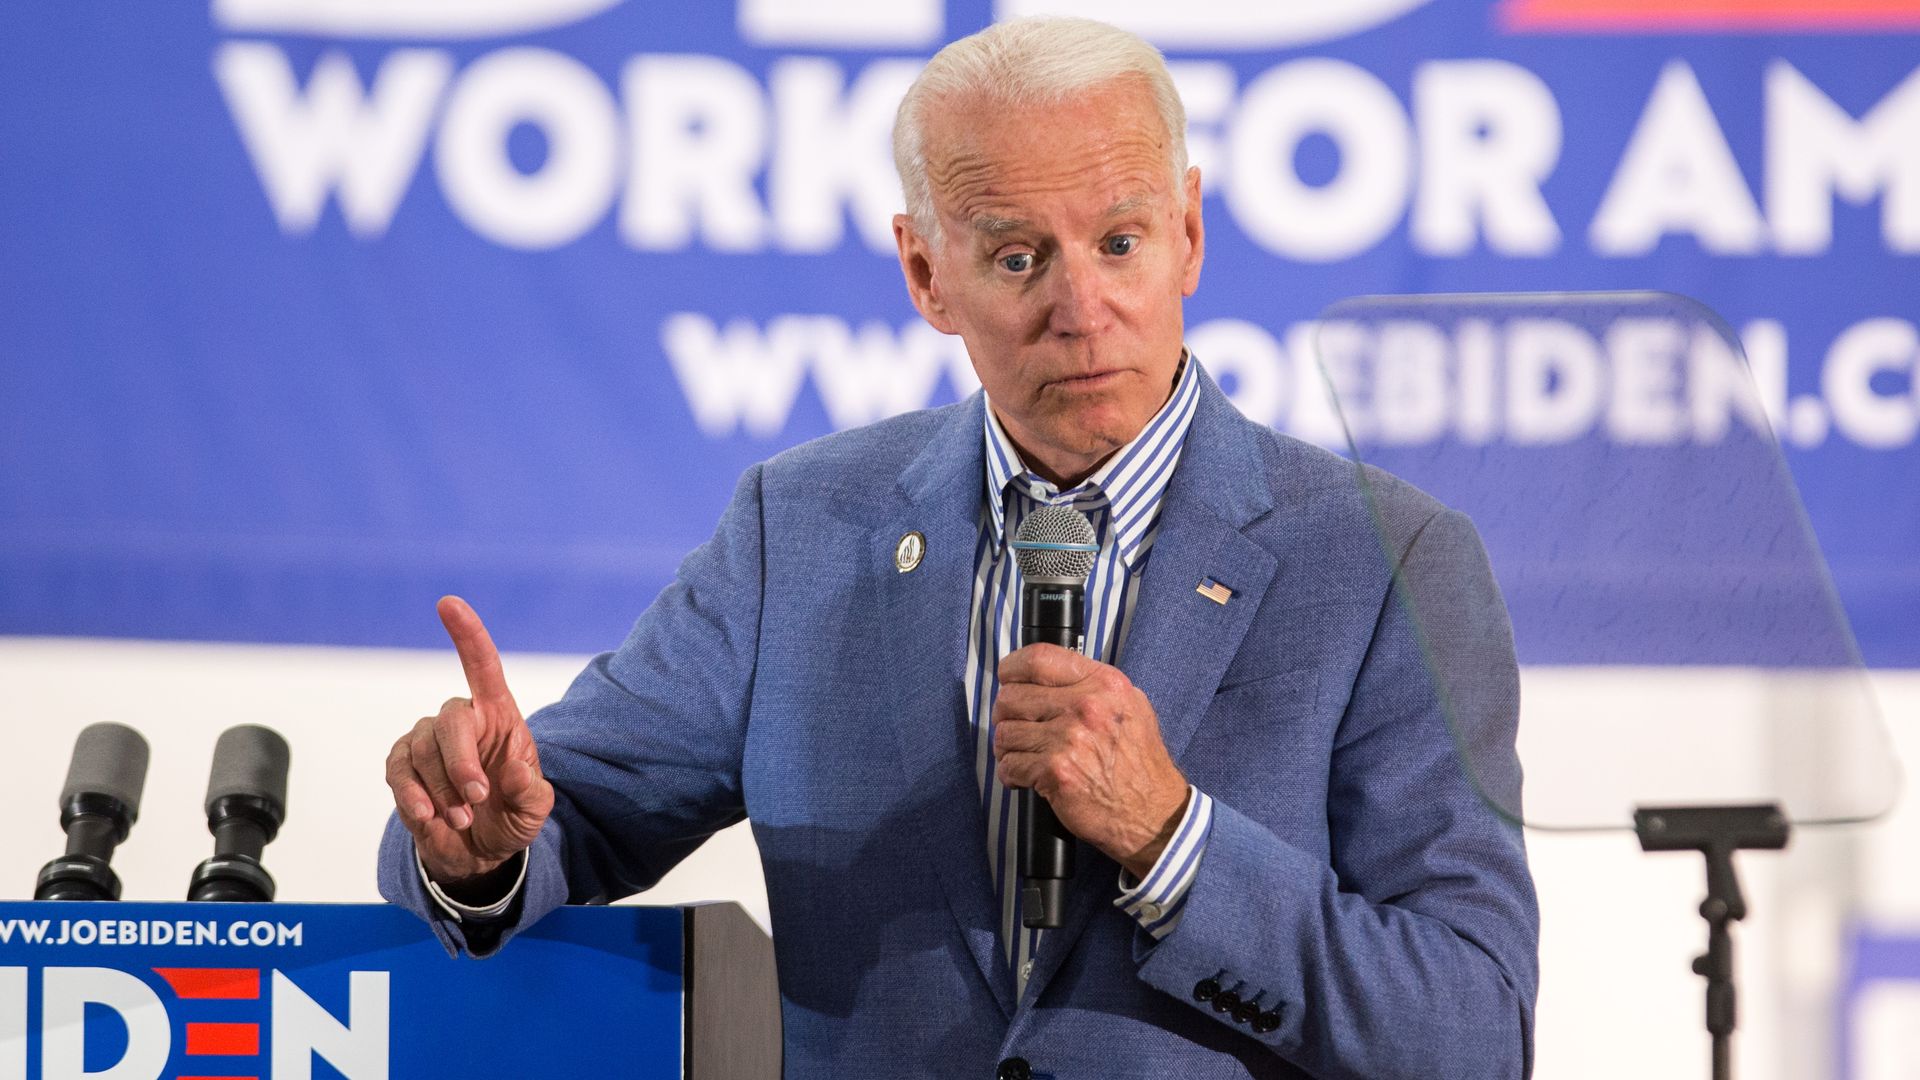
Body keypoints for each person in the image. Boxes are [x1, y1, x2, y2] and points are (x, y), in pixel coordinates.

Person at [379, 16, 1538, 1079]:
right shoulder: (803, 527)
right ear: (927, 273)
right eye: (1020, 257)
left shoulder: (1389, 560)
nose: (1082, 308)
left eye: (1122, 241)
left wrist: (1171, 839)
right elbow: (554, 818)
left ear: (1189, 235)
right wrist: (469, 851)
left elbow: (1472, 1029)